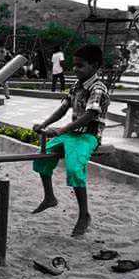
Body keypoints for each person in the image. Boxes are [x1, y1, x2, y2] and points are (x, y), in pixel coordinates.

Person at [31, 44, 110, 236]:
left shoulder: (97, 88)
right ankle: (49, 197)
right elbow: (63, 108)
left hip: (88, 135)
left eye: (80, 66)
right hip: (72, 133)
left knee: (75, 168)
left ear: (94, 66)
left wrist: (62, 129)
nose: (75, 69)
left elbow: (90, 115)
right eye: (74, 65)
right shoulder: (77, 85)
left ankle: (84, 214)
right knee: (42, 156)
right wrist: (44, 124)